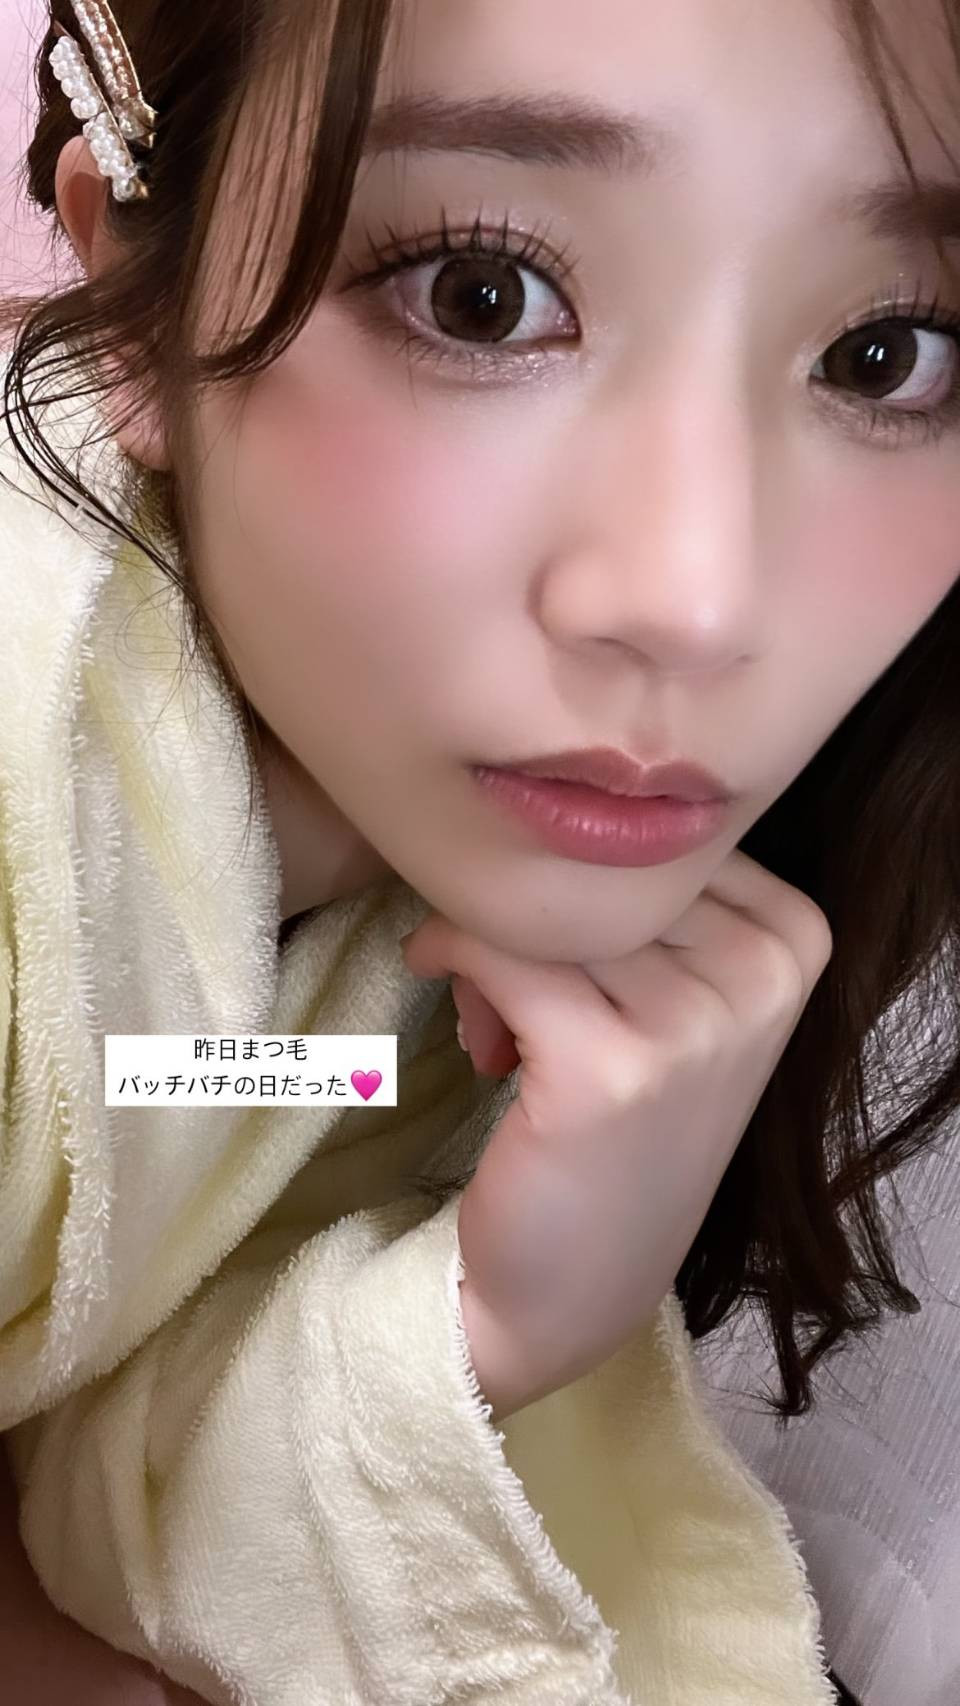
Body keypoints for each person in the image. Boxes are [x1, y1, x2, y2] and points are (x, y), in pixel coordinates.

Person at [1, 0, 959, 1700]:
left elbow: (155, 1130)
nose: (699, 598)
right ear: (132, 294)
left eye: (888, 353)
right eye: (482, 295)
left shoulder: (385, 947)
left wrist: (488, 1320)